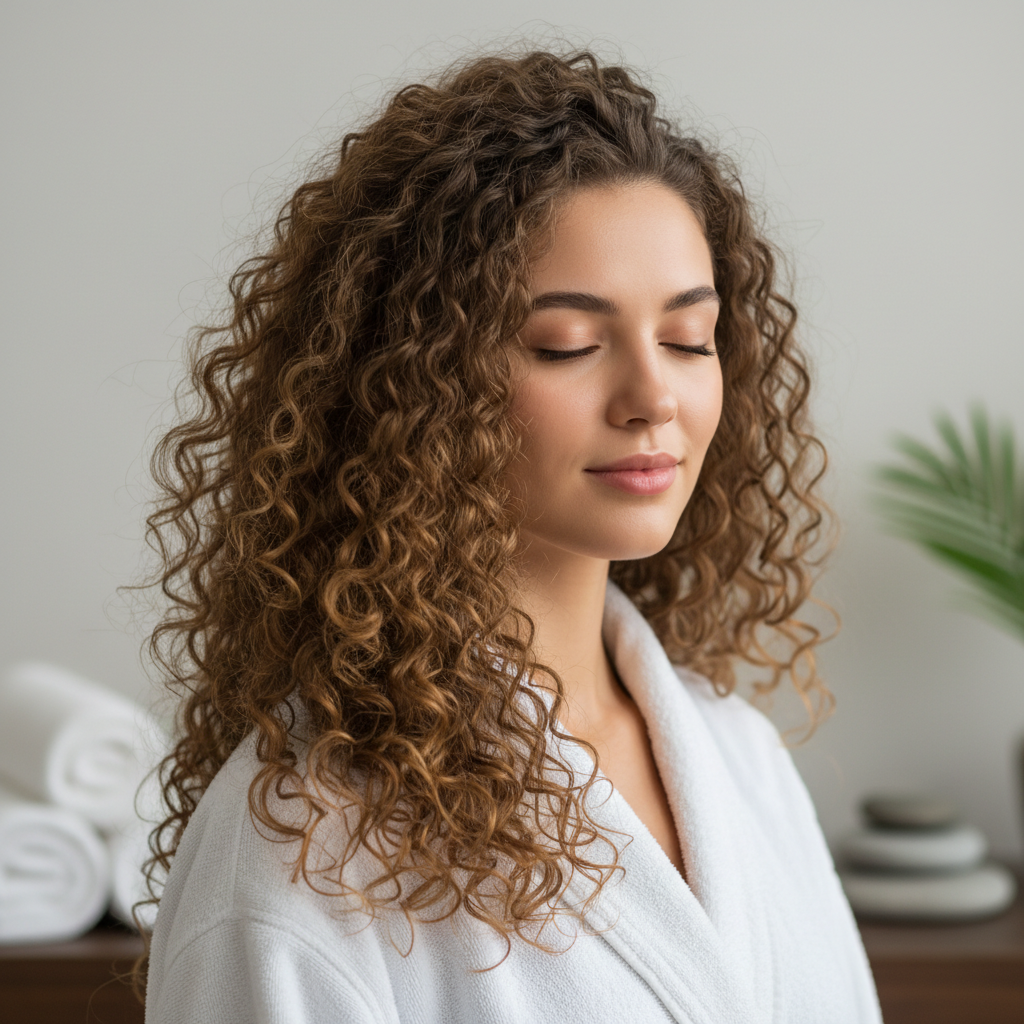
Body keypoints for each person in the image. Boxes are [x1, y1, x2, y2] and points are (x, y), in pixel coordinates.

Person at [137, 48, 883, 1023]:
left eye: (687, 339)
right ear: (413, 380)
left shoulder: (739, 759)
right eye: (566, 345)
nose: (653, 396)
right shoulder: (305, 848)